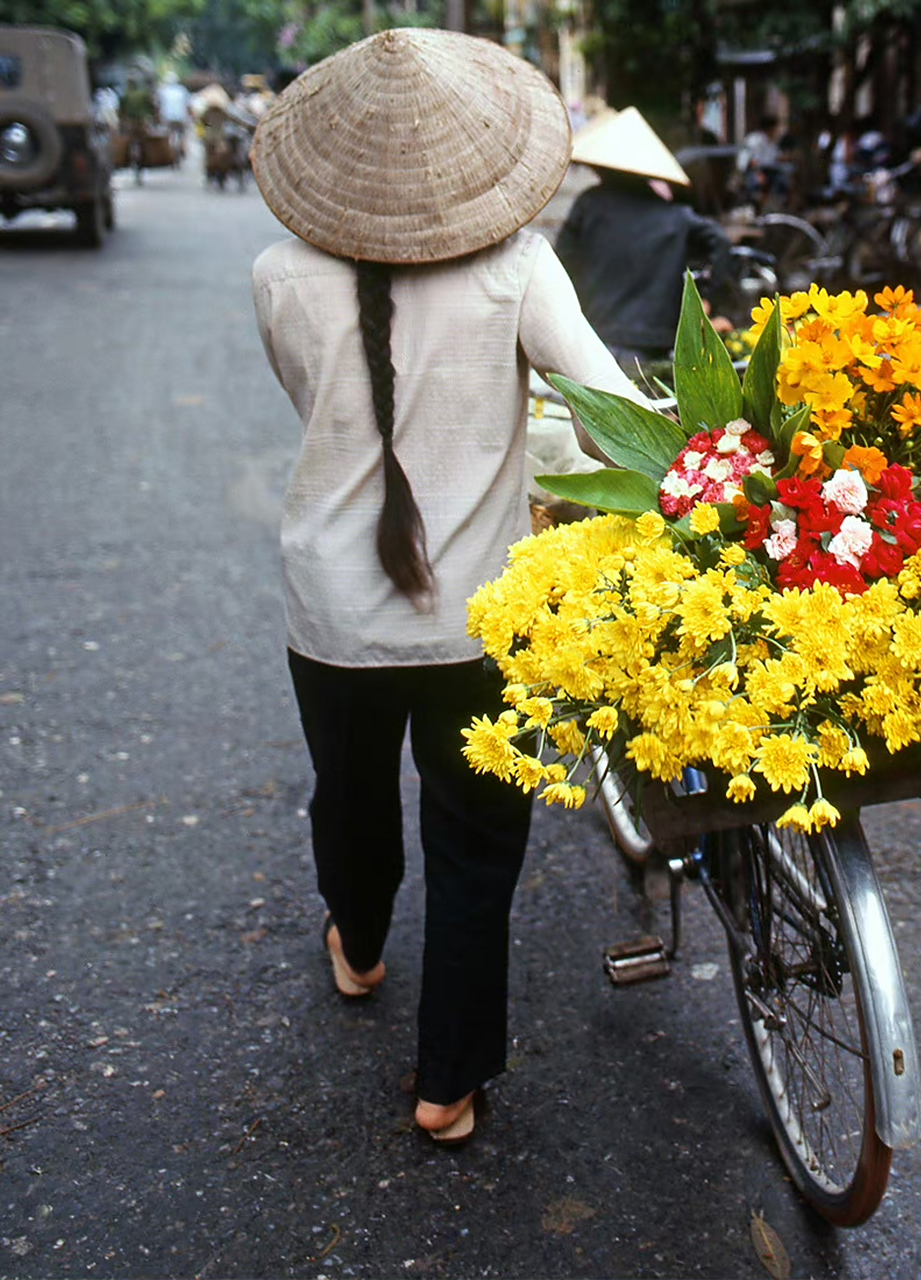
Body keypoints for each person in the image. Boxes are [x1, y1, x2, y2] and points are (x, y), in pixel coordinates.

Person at [249, 28, 640, 1147]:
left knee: (351, 795)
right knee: (475, 849)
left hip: (330, 607)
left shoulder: (276, 273)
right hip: (483, 617)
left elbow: (307, 401)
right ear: (465, 158)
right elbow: (608, 404)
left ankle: (359, 947)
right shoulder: (517, 262)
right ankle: (446, 1083)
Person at [556, 105, 734, 371]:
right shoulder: (677, 216)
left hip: (595, 334)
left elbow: (562, 262)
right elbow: (719, 241)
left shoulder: (589, 204)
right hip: (653, 340)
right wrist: (709, 296)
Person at [117, 74, 155, 184]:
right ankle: (143, 161)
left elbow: (121, 111)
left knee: (128, 143)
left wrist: (121, 123)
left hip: (130, 124)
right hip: (142, 123)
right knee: (144, 144)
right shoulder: (144, 94)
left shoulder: (125, 95)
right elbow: (151, 108)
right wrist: (154, 118)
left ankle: (130, 157)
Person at [157, 70, 191, 163]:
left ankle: (170, 150)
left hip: (167, 118)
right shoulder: (182, 90)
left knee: (169, 134)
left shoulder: (163, 90)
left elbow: (158, 105)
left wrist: (159, 117)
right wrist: (188, 118)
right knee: (183, 134)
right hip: (181, 117)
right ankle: (182, 148)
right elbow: (187, 105)